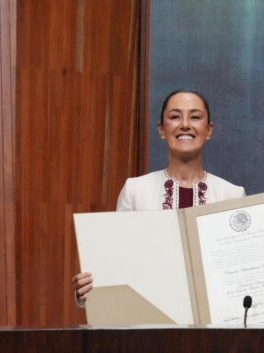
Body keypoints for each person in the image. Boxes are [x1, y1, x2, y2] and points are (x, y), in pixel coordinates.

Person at [72, 90, 245, 305]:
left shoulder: (232, 195)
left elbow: (240, 276)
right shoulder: (135, 191)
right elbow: (117, 262)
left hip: (213, 329)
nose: (185, 125)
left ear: (208, 130)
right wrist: (88, 290)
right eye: (174, 116)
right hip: (150, 325)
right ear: (162, 130)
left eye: (195, 117)